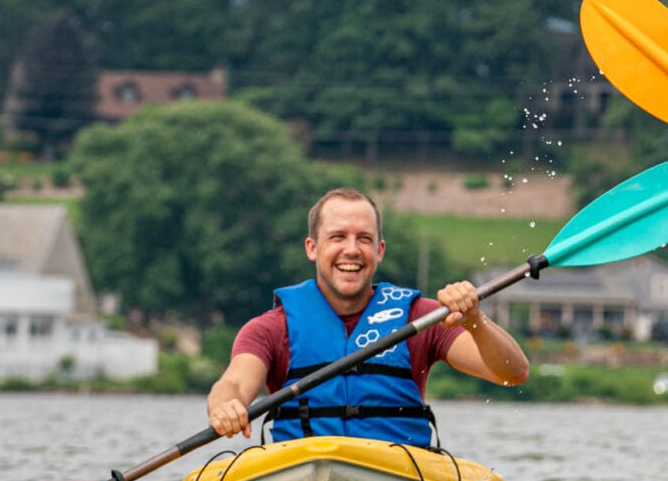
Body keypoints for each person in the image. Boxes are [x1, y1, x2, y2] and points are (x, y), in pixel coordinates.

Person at [206, 187, 529, 447]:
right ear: (312, 248)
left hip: (399, 472)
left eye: (364, 238)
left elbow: (512, 373)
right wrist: (226, 407)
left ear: (380, 250)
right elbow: (234, 383)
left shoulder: (424, 318)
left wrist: (474, 320)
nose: (352, 250)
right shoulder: (271, 328)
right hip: (298, 467)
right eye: (337, 237)